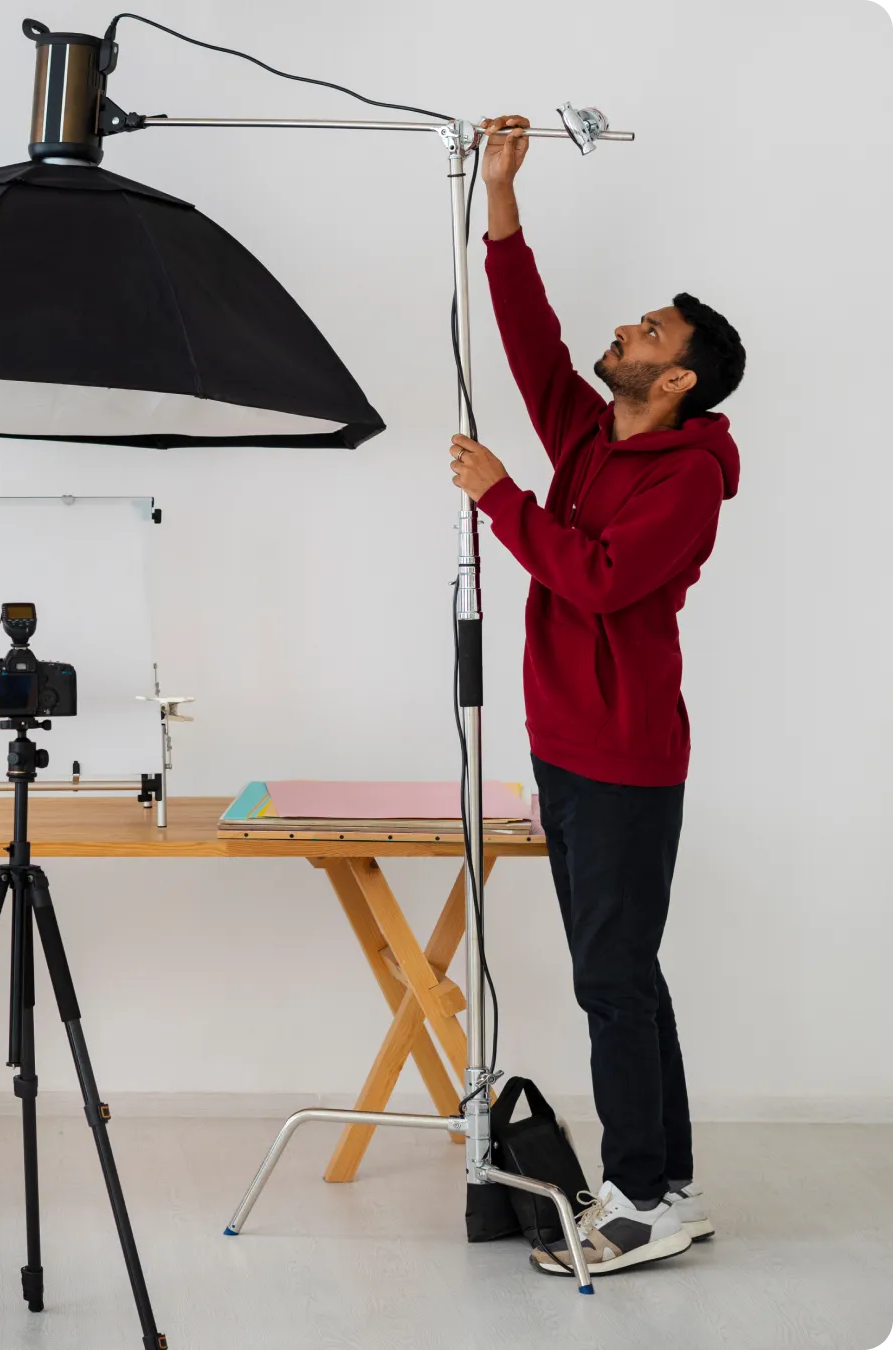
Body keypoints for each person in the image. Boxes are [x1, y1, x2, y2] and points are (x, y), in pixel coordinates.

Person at [448, 116, 744, 1278]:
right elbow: (532, 348)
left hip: (624, 760)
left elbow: (603, 582)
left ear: (675, 379)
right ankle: (667, 1182)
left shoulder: (685, 481)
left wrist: (501, 499)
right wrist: (503, 199)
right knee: (627, 974)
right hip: (569, 750)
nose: (625, 330)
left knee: (610, 979)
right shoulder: (595, 436)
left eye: (649, 330)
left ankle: (633, 1199)